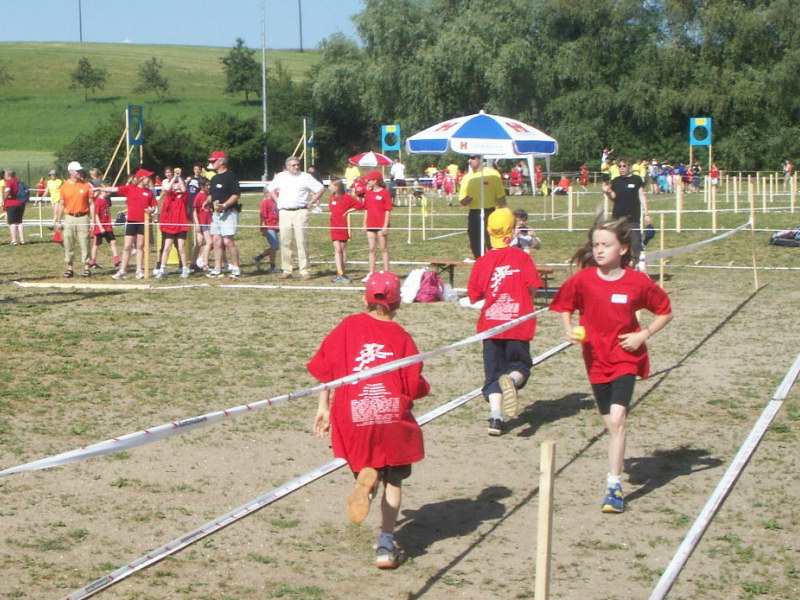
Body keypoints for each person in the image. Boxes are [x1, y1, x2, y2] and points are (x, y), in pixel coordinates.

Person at [307, 270, 430, 569]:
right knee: (395, 479)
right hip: (390, 414)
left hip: (353, 413)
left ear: (365, 298)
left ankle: (367, 481)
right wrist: (424, 388)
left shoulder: (349, 326)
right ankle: (386, 543)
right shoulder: (402, 337)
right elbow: (412, 385)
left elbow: (326, 368)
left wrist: (323, 407)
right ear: (398, 303)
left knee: (367, 462)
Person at [549, 217, 672, 513]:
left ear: (623, 248)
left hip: (626, 357)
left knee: (617, 420)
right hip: (595, 359)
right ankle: (616, 462)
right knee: (610, 423)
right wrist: (569, 329)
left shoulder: (638, 282)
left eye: (607, 245)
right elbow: (564, 304)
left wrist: (643, 334)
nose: (600, 250)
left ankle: (613, 487)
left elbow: (665, 311)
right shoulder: (583, 280)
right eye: (596, 245)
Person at [467, 207, 544, 436]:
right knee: (520, 366)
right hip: (517, 322)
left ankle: (496, 418)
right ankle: (511, 380)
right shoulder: (522, 258)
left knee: (492, 373)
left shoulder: (483, 261)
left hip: (491, 324)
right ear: (512, 232)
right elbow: (533, 288)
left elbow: (475, 295)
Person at [267, 155, 325, 280]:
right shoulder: (281, 177)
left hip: (300, 211)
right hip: (284, 212)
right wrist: (277, 201)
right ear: (287, 166)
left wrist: (312, 201)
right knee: (285, 241)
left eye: (297, 164)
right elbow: (270, 188)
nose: (296, 167)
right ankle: (286, 269)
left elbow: (320, 188)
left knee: (302, 241)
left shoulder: (306, 177)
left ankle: (304, 270)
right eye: (293, 165)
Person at [98, 168, 158, 280]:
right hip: (131, 221)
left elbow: (154, 205)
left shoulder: (149, 192)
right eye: (147, 177)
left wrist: (151, 210)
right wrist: (98, 188)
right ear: (141, 178)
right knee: (127, 247)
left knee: (140, 246)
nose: (149, 179)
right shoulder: (130, 188)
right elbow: (113, 189)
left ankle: (139, 270)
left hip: (143, 222)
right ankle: (122, 270)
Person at [602, 158, 651, 267]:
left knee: (635, 244)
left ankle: (636, 266)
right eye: (620, 166)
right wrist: (608, 192)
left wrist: (646, 213)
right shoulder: (616, 181)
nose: (622, 168)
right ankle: (621, 266)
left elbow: (642, 196)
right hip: (618, 217)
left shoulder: (637, 179)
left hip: (632, 217)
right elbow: (614, 198)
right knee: (618, 244)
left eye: (624, 166)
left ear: (629, 167)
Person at [459, 155, 507, 260]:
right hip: (474, 213)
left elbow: (500, 196)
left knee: (492, 239)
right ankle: (480, 261)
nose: (469, 160)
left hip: (490, 212)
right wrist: (465, 200)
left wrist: (504, 213)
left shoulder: (493, 174)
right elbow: (462, 201)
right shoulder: (467, 177)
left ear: (480, 159)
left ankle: (494, 261)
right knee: (475, 241)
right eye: (468, 158)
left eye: (472, 158)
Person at [205, 151, 242, 279]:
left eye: (213, 161)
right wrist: (207, 201)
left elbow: (236, 194)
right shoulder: (214, 178)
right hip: (216, 214)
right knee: (216, 240)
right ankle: (218, 268)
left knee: (228, 240)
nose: (211, 163)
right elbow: (212, 194)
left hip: (228, 213)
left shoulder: (231, 177)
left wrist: (225, 205)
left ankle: (236, 267)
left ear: (221, 161)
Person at [154, 174, 191, 280]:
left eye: (177, 184)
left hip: (181, 224)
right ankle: (162, 268)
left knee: (181, 248)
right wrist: (174, 177)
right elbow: (167, 189)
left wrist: (180, 180)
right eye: (175, 184)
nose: (176, 185)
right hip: (170, 225)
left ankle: (184, 268)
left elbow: (184, 189)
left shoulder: (184, 196)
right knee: (167, 247)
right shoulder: (170, 196)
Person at [327, 178, 363, 283]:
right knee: (337, 248)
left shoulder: (347, 197)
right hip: (334, 225)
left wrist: (349, 210)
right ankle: (339, 273)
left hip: (342, 225)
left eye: (331, 186)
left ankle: (343, 271)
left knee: (342, 248)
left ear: (337, 187)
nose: (329, 188)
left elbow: (361, 205)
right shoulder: (332, 198)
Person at [361, 170, 392, 282]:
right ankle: (371, 272)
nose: (367, 181)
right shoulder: (368, 194)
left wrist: (385, 226)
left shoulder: (384, 193)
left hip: (381, 224)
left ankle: (387, 271)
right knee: (371, 248)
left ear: (376, 180)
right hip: (370, 224)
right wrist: (364, 224)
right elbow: (366, 209)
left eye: (369, 180)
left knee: (383, 248)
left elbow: (388, 210)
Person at [89, 176, 120, 271]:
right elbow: (96, 215)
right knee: (96, 244)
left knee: (113, 241)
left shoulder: (106, 201)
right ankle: (92, 262)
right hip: (100, 226)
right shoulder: (98, 201)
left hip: (107, 225)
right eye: (106, 191)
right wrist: (100, 226)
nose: (107, 193)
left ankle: (117, 261)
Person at [253, 185, 281, 274]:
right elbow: (262, 216)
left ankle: (258, 258)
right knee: (275, 247)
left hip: (274, 226)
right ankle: (272, 266)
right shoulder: (265, 202)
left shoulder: (273, 202)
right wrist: (263, 228)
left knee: (275, 247)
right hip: (269, 227)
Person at [191, 178, 212, 272]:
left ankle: (193, 263)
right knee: (209, 242)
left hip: (208, 220)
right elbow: (194, 211)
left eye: (209, 184)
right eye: (207, 185)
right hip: (202, 222)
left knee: (199, 242)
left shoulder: (208, 195)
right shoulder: (199, 196)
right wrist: (197, 224)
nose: (209, 186)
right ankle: (205, 263)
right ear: (202, 186)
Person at [2, 168, 26, 246]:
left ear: (8, 175)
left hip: (11, 204)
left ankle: (14, 240)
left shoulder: (10, 182)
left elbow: (7, 191)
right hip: (21, 203)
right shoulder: (19, 181)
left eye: (5, 175)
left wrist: (4, 198)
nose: (4, 176)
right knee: (19, 222)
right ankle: (22, 240)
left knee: (11, 222)